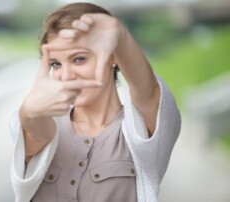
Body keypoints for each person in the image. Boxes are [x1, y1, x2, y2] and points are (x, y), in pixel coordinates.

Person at [10, 2, 181, 202]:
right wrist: (29, 112)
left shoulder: (139, 130)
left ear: (112, 57)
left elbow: (149, 91)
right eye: (56, 64)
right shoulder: (47, 122)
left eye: (79, 59)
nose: (65, 75)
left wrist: (121, 36)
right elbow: (36, 128)